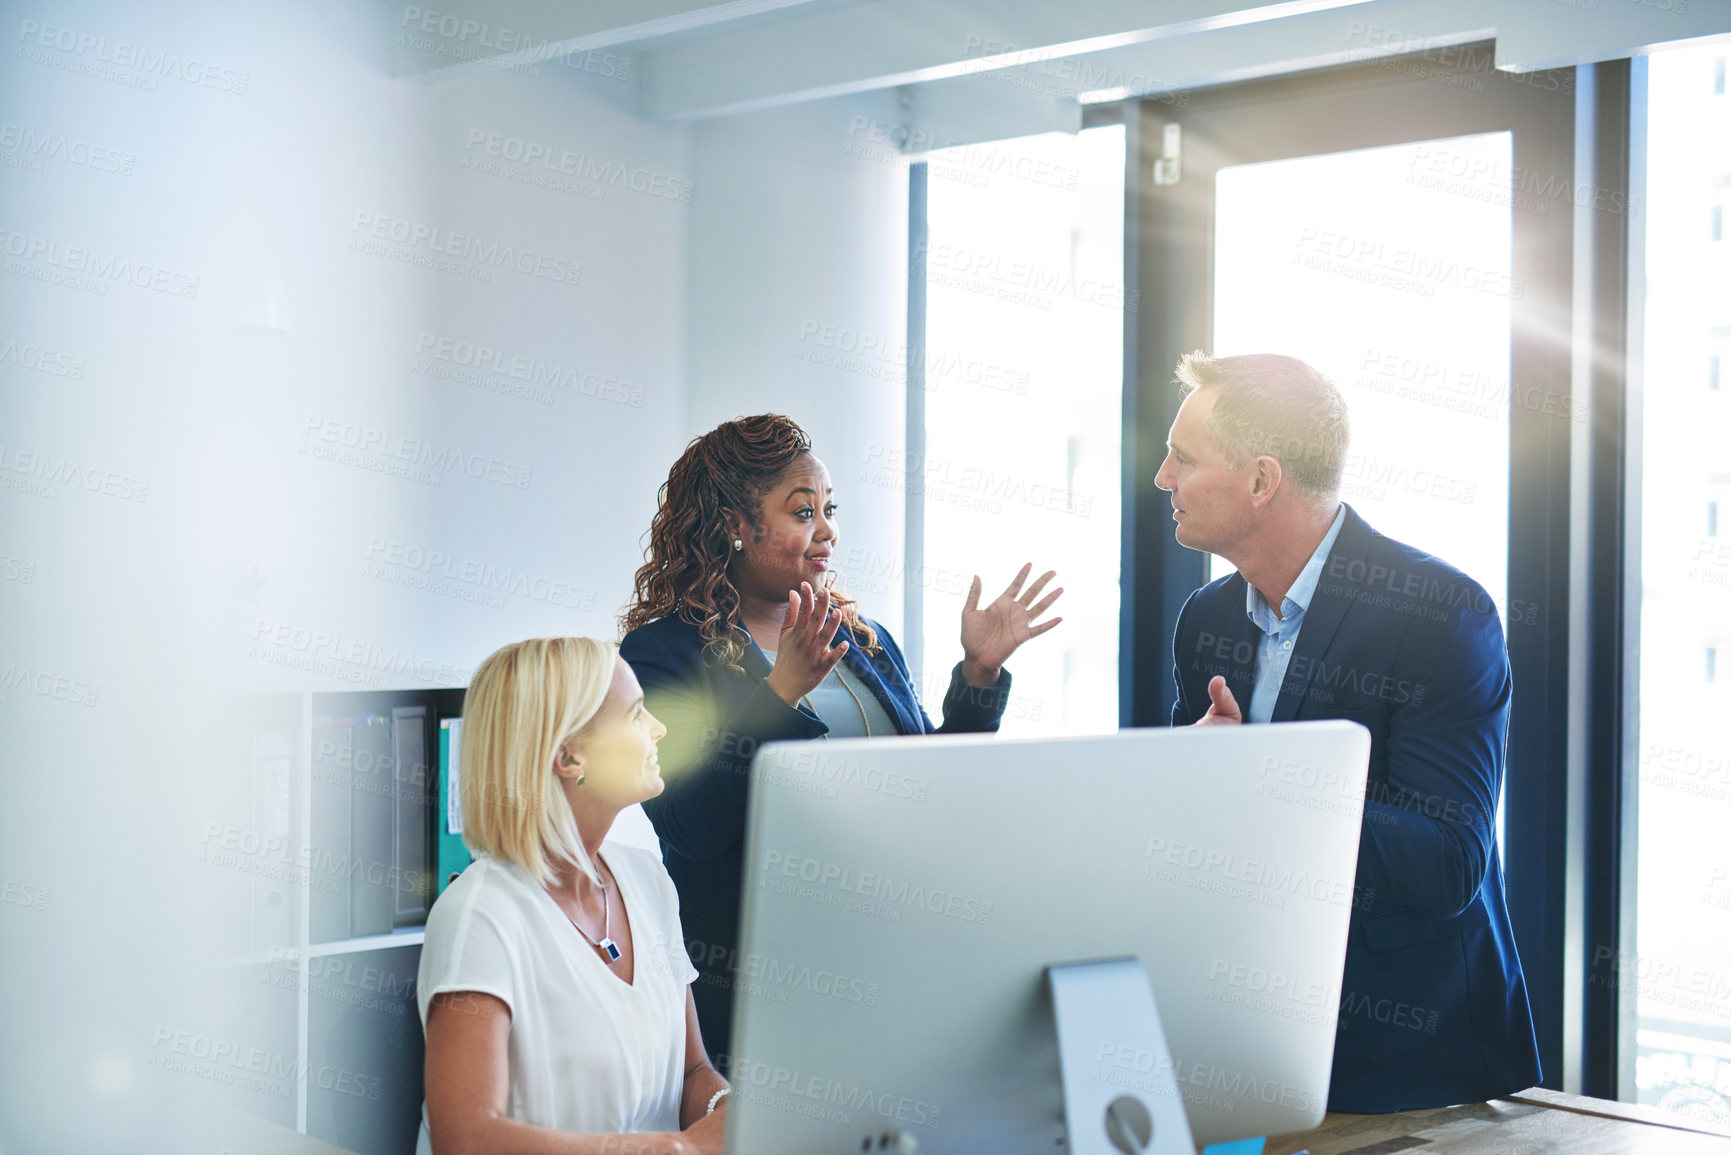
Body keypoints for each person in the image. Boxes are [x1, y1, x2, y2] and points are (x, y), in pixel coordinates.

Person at [1157, 351, 1542, 1112]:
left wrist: (1260, 782)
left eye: (1181, 458)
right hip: (1242, 1041)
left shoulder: (1441, 614)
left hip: (1412, 1065)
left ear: (1262, 480)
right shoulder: (1203, 620)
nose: (1163, 478)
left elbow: (1447, 862)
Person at [619, 413, 1063, 1066]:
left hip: (896, 966)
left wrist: (978, 674)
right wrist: (779, 693)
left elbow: (930, 789)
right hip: (760, 987)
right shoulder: (664, 653)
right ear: (735, 526)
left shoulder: (864, 640)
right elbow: (690, 822)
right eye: (802, 511)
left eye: (829, 509)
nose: (826, 529)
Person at [416, 637, 729, 1155]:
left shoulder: (647, 879)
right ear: (568, 756)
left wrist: (728, 1111)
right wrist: (679, 1151)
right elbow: (466, 1138)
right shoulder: (480, 915)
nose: (658, 728)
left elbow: (693, 1071)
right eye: (635, 715)